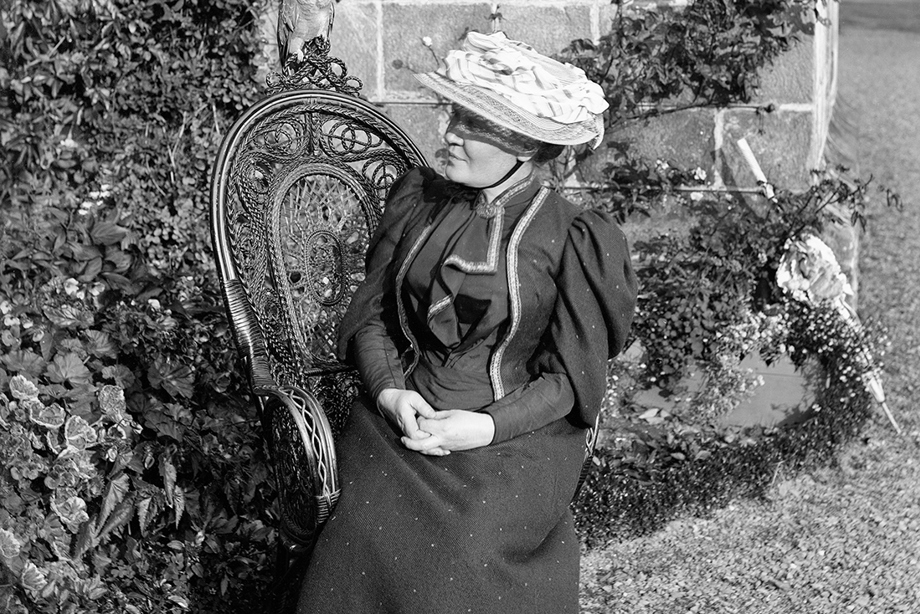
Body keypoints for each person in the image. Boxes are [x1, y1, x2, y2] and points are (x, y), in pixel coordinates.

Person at [296, 30, 638, 614]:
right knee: (364, 533)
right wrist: (390, 394)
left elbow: (568, 381)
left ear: (526, 146)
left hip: (517, 440)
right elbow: (372, 319)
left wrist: (484, 428)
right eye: (454, 113)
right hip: (400, 427)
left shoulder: (573, 237)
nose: (449, 133)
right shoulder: (418, 202)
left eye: (474, 125)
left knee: (469, 547)